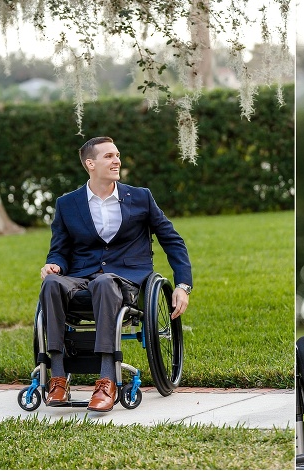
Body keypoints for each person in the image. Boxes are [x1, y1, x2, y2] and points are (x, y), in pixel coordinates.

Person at [39, 136, 193, 412]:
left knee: (104, 281)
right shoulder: (67, 204)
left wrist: (182, 284)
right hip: (82, 276)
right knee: (51, 283)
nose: (117, 160)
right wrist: (54, 264)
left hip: (125, 280)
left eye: (117, 155)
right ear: (90, 163)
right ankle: (58, 377)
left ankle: (107, 379)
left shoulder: (141, 197)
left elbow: (172, 240)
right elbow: (59, 250)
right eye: (109, 156)